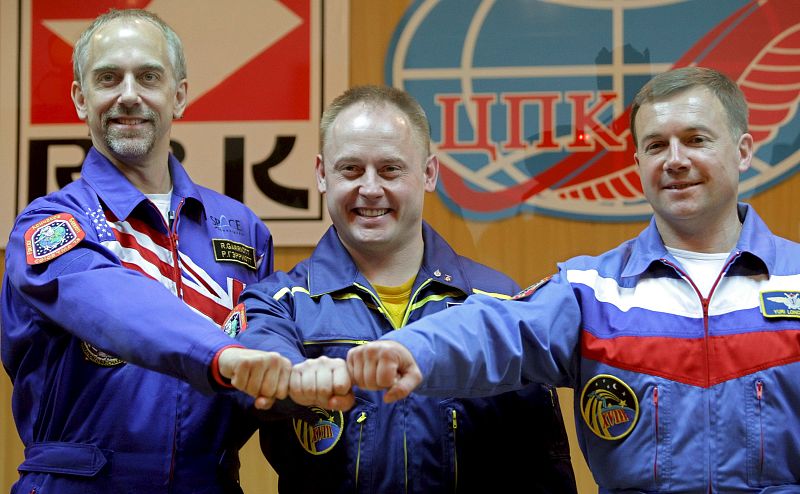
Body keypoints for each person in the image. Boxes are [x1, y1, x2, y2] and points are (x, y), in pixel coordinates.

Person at [339, 67, 800, 492]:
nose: (674, 160)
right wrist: (409, 349)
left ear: (742, 151)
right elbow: (496, 329)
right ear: (638, 160)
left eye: (696, 140)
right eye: (656, 145)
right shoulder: (592, 291)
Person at [232, 85, 577, 493]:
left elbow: (542, 469)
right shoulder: (278, 305)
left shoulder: (499, 304)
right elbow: (254, 376)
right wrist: (294, 379)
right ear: (322, 174)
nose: (371, 188)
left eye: (391, 169)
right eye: (351, 170)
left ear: (429, 173)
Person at [1, 9, 291, 493]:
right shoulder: (50, 225)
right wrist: (223, 356)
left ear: (179, 95)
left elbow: (264, 362)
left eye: (149, 76)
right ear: (81, 98)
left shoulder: (243, 231)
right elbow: (112, 303)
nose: (129, 95)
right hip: (81, 482)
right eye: (108, 77)